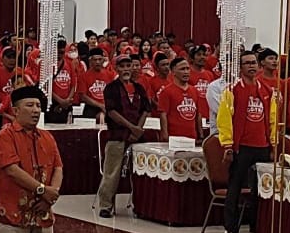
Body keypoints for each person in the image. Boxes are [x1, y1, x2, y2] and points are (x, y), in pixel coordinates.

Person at [0, 85, 63, 233]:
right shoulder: (5, 136)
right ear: (15, 111)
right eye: (29, 105)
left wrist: (50, 196)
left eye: (38, 105)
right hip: (13, 213)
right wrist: (43, 190)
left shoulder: (47, 137)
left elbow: (58, 168)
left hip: (42, 212)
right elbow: (12, 170)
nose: (36, 110)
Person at [217, 51, 277, 233]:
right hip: (241, 147)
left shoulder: (267, 91)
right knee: (234, 189)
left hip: (262, 147)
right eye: (247, 63)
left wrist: (273, 144)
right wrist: (227, 145)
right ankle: (230, 229)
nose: (251, 66)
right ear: (240, 67)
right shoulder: (231, 91)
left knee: (259, 192)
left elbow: (273, 120)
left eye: (253, 63)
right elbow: (224, 120)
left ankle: (255, 229)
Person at [95, 54, 151, 218]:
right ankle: (106, 206)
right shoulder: (111, 88)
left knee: (140, 172)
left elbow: (146, 109)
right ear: (117, 68)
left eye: (129, 66)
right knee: (112, 172)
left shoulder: (139, 88)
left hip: (137, 138)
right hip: (117, 135)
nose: (126, 69)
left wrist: (138, 129)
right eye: (123, 66)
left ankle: (140, 206)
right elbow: (111, 112)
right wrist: (131, 128)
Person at [157, 57, 202, 142]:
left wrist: (200, 134)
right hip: (174, 138)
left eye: (187, 69)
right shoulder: (166, 91)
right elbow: (163, 115)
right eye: (182, 69)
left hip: (192, 138)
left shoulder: (194, 91)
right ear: (173, 72)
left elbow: (198, 114)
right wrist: (165, 135)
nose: (186, 72)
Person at [77, 48, 111, 121]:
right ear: (90, 61)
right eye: (95, 60)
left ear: (103, 60)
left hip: (107, 107)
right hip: (91, 108)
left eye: (99, 59)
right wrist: (100, 106)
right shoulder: (84, 76)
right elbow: (83, 96)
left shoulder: (109, 75)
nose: (97, 62)